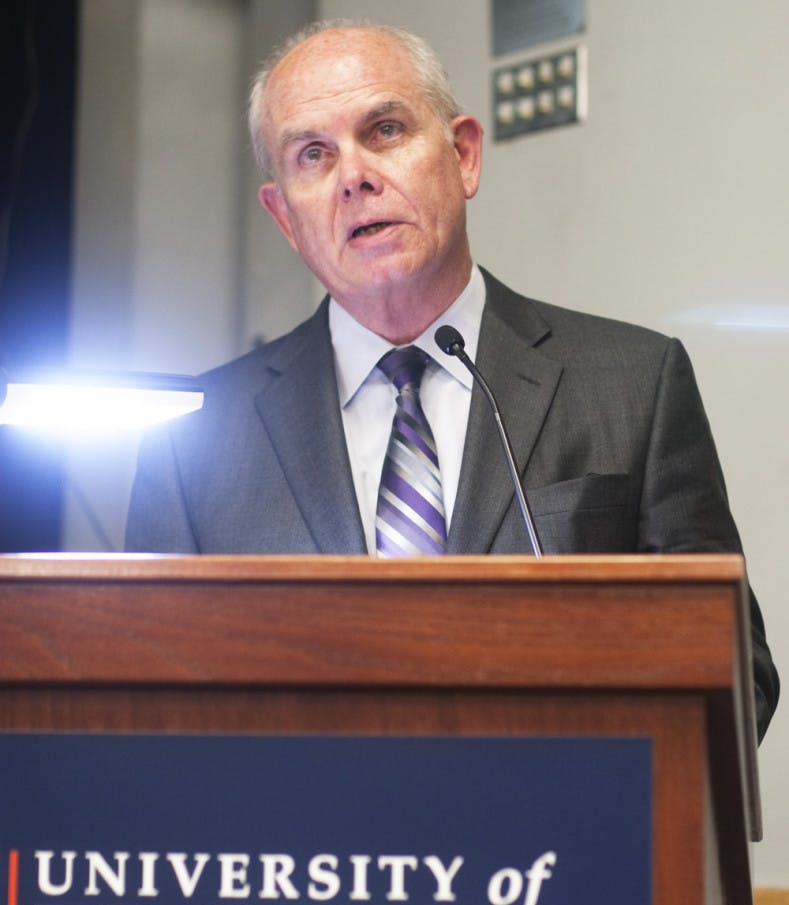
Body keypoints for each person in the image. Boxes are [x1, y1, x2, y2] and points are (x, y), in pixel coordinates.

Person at [125, 20, 779, 740]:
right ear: (284, 217)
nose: (354, 176)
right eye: (313, 155)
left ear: (464, 155)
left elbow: (731, 673)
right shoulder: (192, 440)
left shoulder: (632, 384)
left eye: (384, 130)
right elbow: (141, 709)